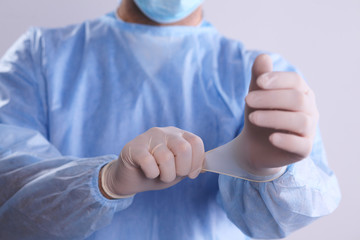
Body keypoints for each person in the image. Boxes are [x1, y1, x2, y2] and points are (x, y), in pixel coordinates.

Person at [0, 0, 341, 239]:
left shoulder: (262, 78)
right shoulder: (39, 57)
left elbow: (277, 223)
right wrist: (106, 181)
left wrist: (269, 172)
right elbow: (8, 201)